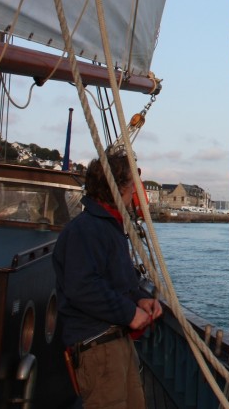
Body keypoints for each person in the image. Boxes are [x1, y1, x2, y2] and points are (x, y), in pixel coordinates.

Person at [53, 151, 162, 408]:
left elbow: (117, 279)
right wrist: (129, 313)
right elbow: (83, 286)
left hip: (116, 344)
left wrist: (140, 299)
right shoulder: (86, 229)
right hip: (98, 348)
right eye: (134, 183)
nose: (138, 191)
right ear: (119, 187)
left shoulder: (108, 227)